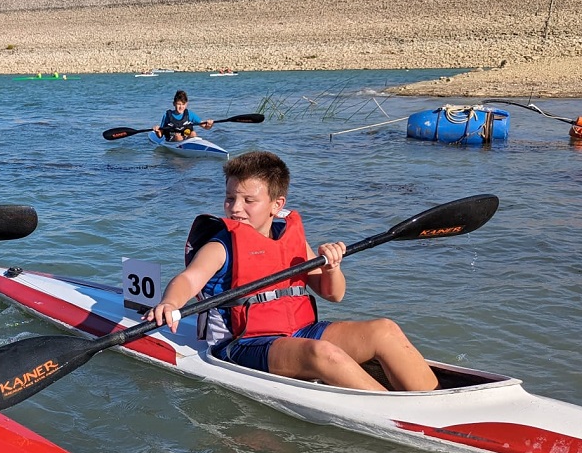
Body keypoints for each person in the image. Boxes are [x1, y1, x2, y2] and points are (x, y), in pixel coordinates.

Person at [145, 150, 438, 392]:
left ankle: (431, 401)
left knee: (385, 330)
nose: (235, 208)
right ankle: (401, 415)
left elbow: (333, 294)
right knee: (321, 353)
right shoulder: (221, 246)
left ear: (277, 204)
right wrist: (170, 303)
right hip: (242, 343)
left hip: (299, 331)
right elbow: (188, 279)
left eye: (249, 201)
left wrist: (332, 266)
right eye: (230, 198)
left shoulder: (290, 236)